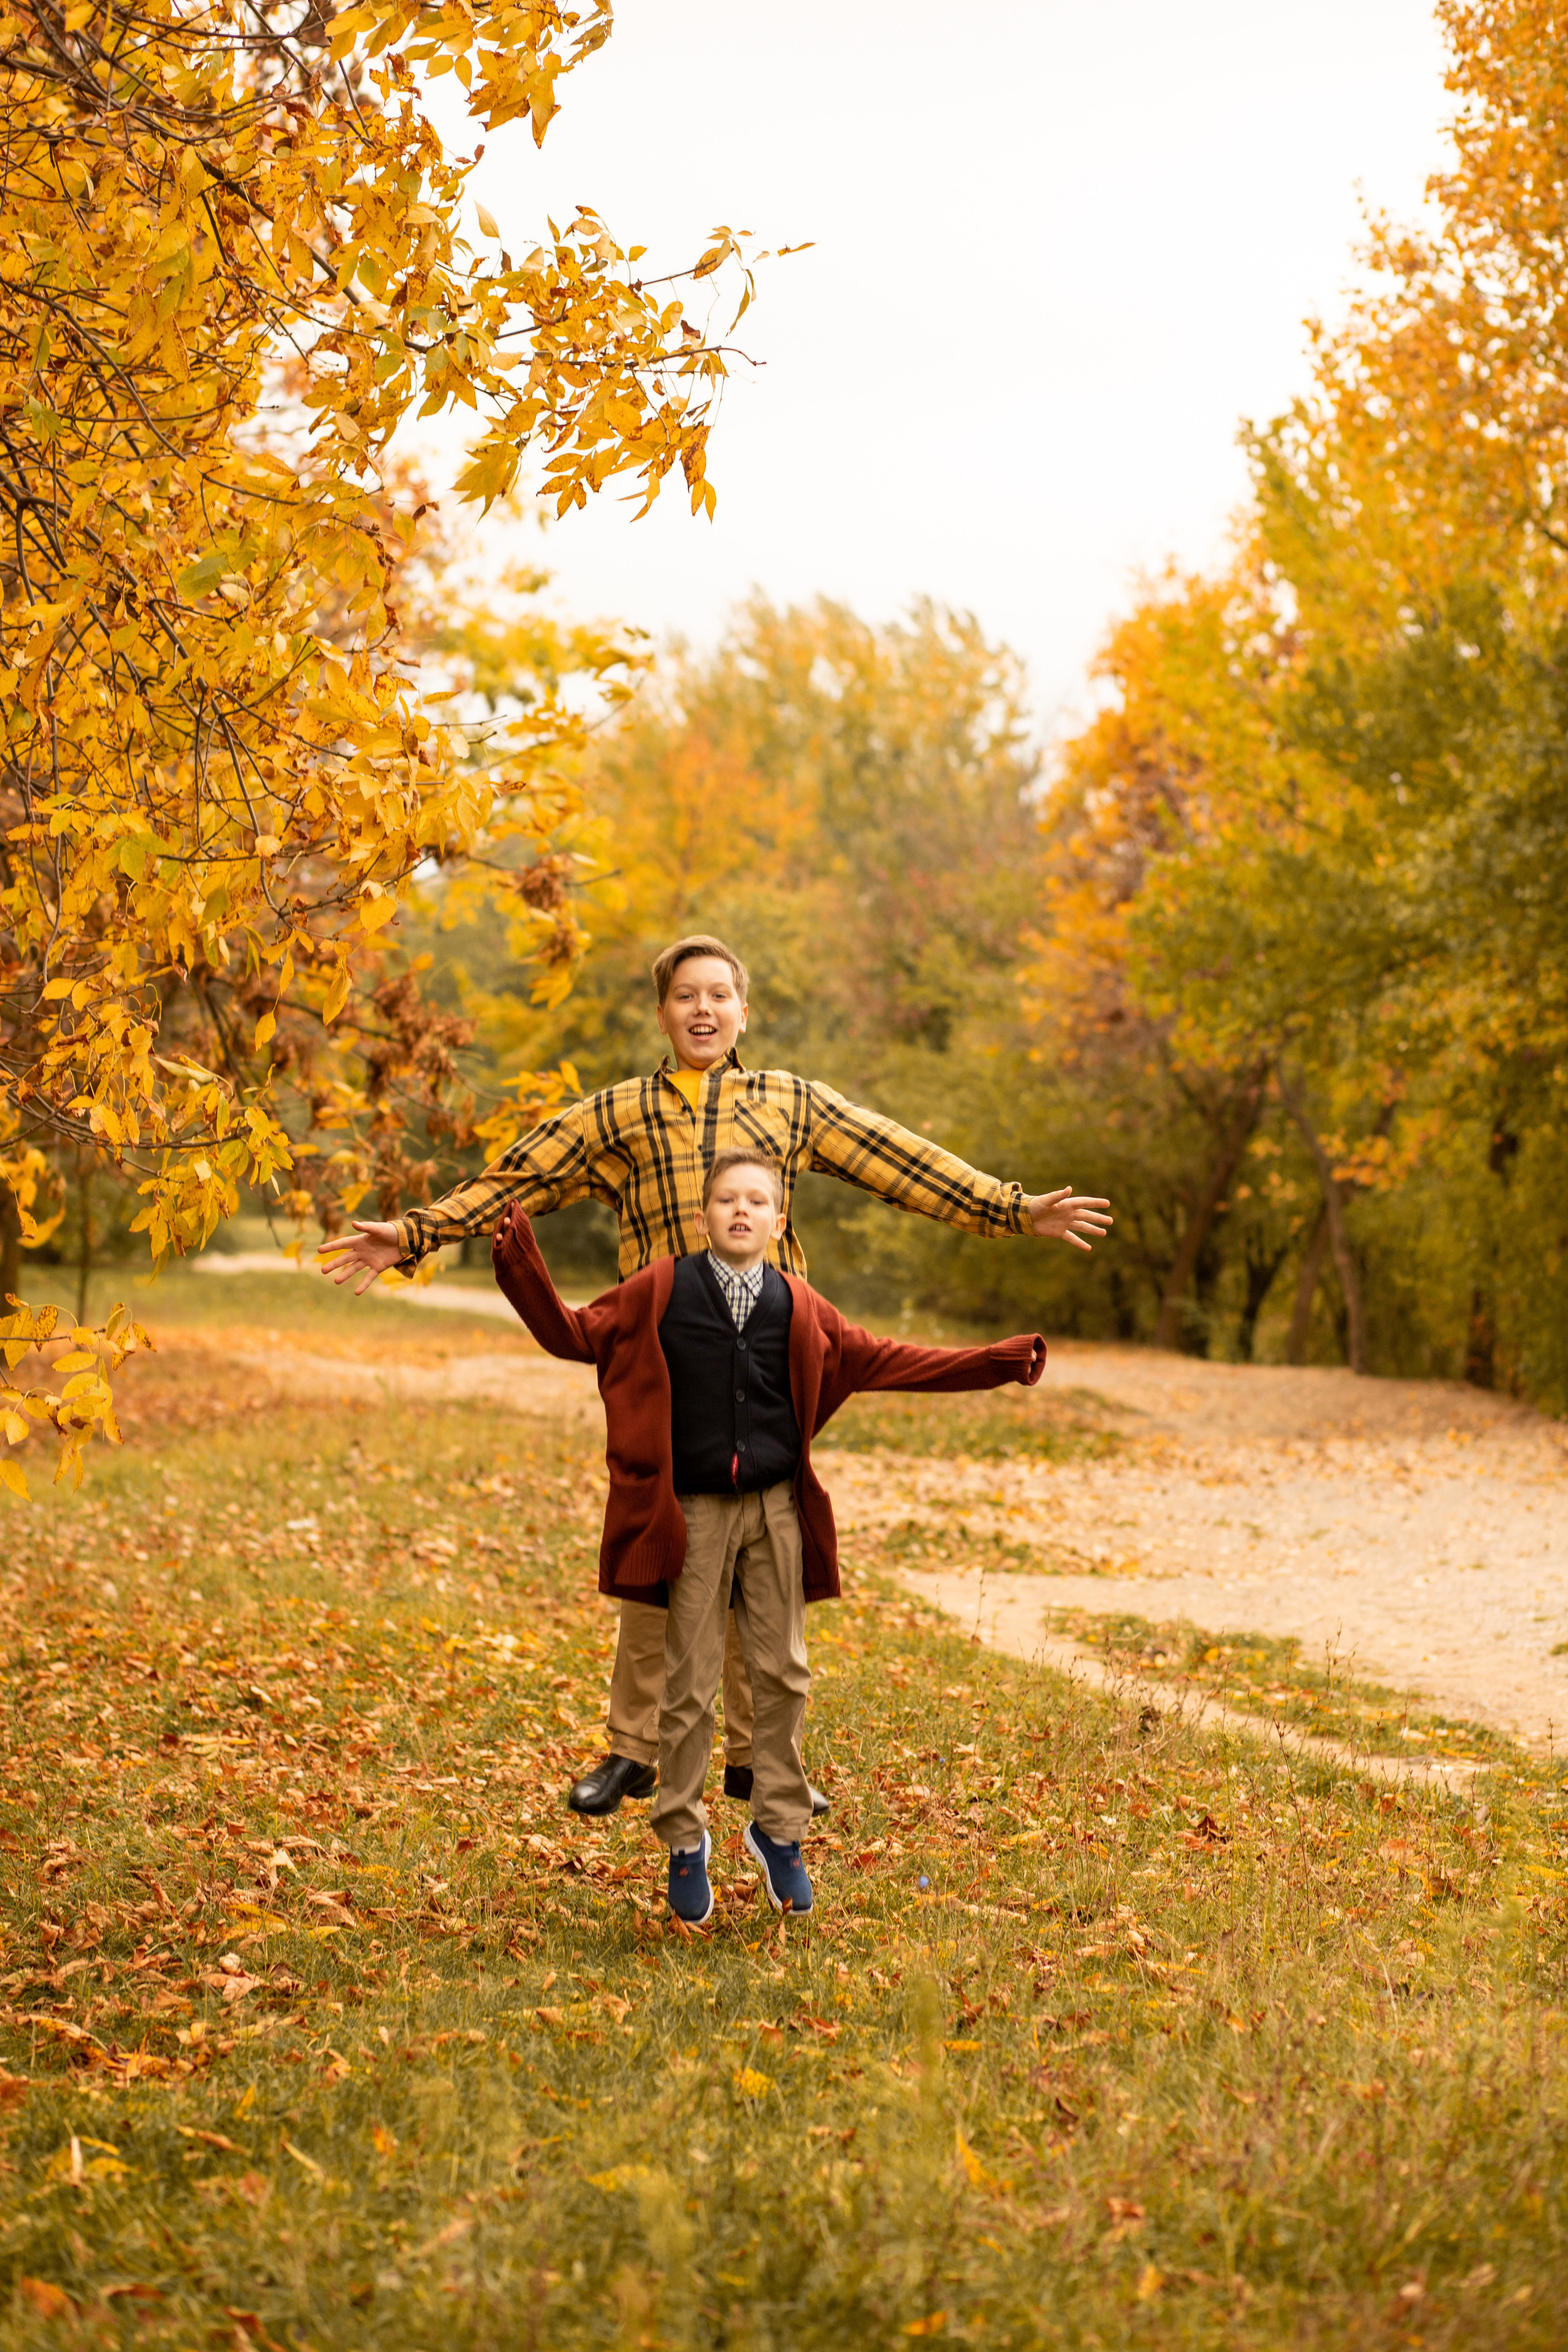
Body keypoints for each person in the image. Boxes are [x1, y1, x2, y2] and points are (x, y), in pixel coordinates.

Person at [317, 933, 1112, 1815]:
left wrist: (1013, 1209)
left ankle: (754, 1756)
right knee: (661, 1539)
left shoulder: (791, 1102)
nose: (703, 1009)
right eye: (685, 996)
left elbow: (900, 1161)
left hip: (768, 1357)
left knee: (756, 1544)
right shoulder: (617, 1114)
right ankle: (635, 1748)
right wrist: (415, 1233)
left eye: (719, 995)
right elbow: (518, 1180)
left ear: (743, 1011)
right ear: (663, 1013)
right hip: (663, 1356)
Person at [490, 1152, 1049, 1924]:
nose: (741, 1211)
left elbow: (889, 1360)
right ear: (702, 1218)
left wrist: (995, 1362)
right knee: (689, 1684)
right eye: (727, 1200)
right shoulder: (659, 1290)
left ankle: (778, 1831)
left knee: (784, 1672)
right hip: (694, 1512)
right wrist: (519, 1262)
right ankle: (684, 1840)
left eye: (757, 1201)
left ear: (779, 1222)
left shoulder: (801, 1306)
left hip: (777, 1509)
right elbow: (573, 1333)